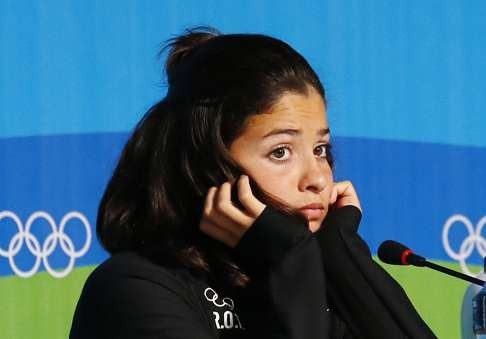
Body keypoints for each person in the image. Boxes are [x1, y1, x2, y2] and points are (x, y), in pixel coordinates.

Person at [69, 27, 436, 339]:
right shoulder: (134, 287)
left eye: (321, 148)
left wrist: (344, 255)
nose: (318, 178)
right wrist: (294, 259)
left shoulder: (322, 280)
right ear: (207, 164)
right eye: (281, 152)